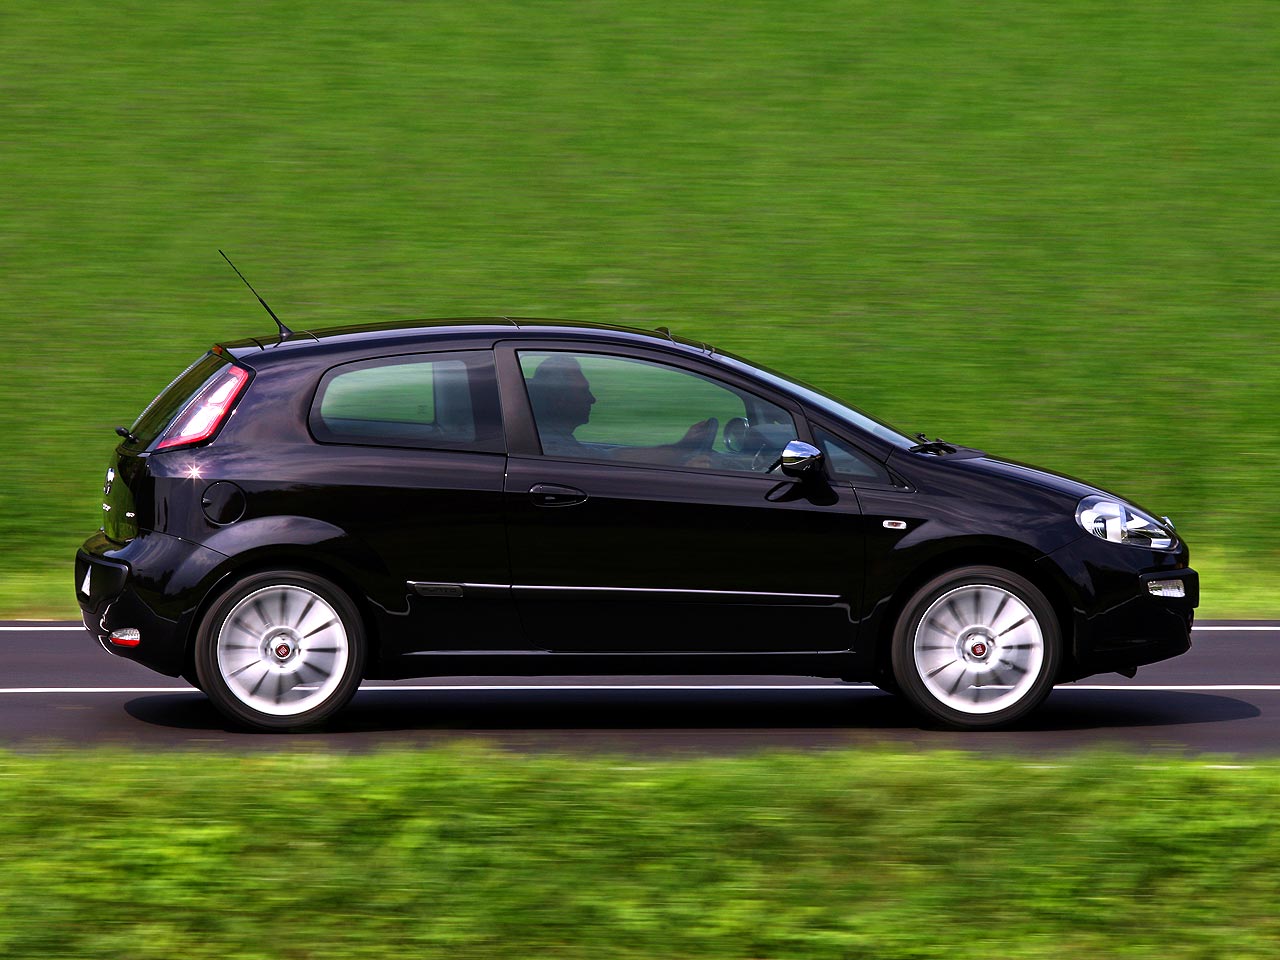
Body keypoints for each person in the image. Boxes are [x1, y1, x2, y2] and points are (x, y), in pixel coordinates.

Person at [525, 355, 719, 465]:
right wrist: (685, 466)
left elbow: (612, 456)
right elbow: (613, 462)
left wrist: (681, 447)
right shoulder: (557, 449)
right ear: (560, 400)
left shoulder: (545, 439)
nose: (593, 399)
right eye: (583, 392)